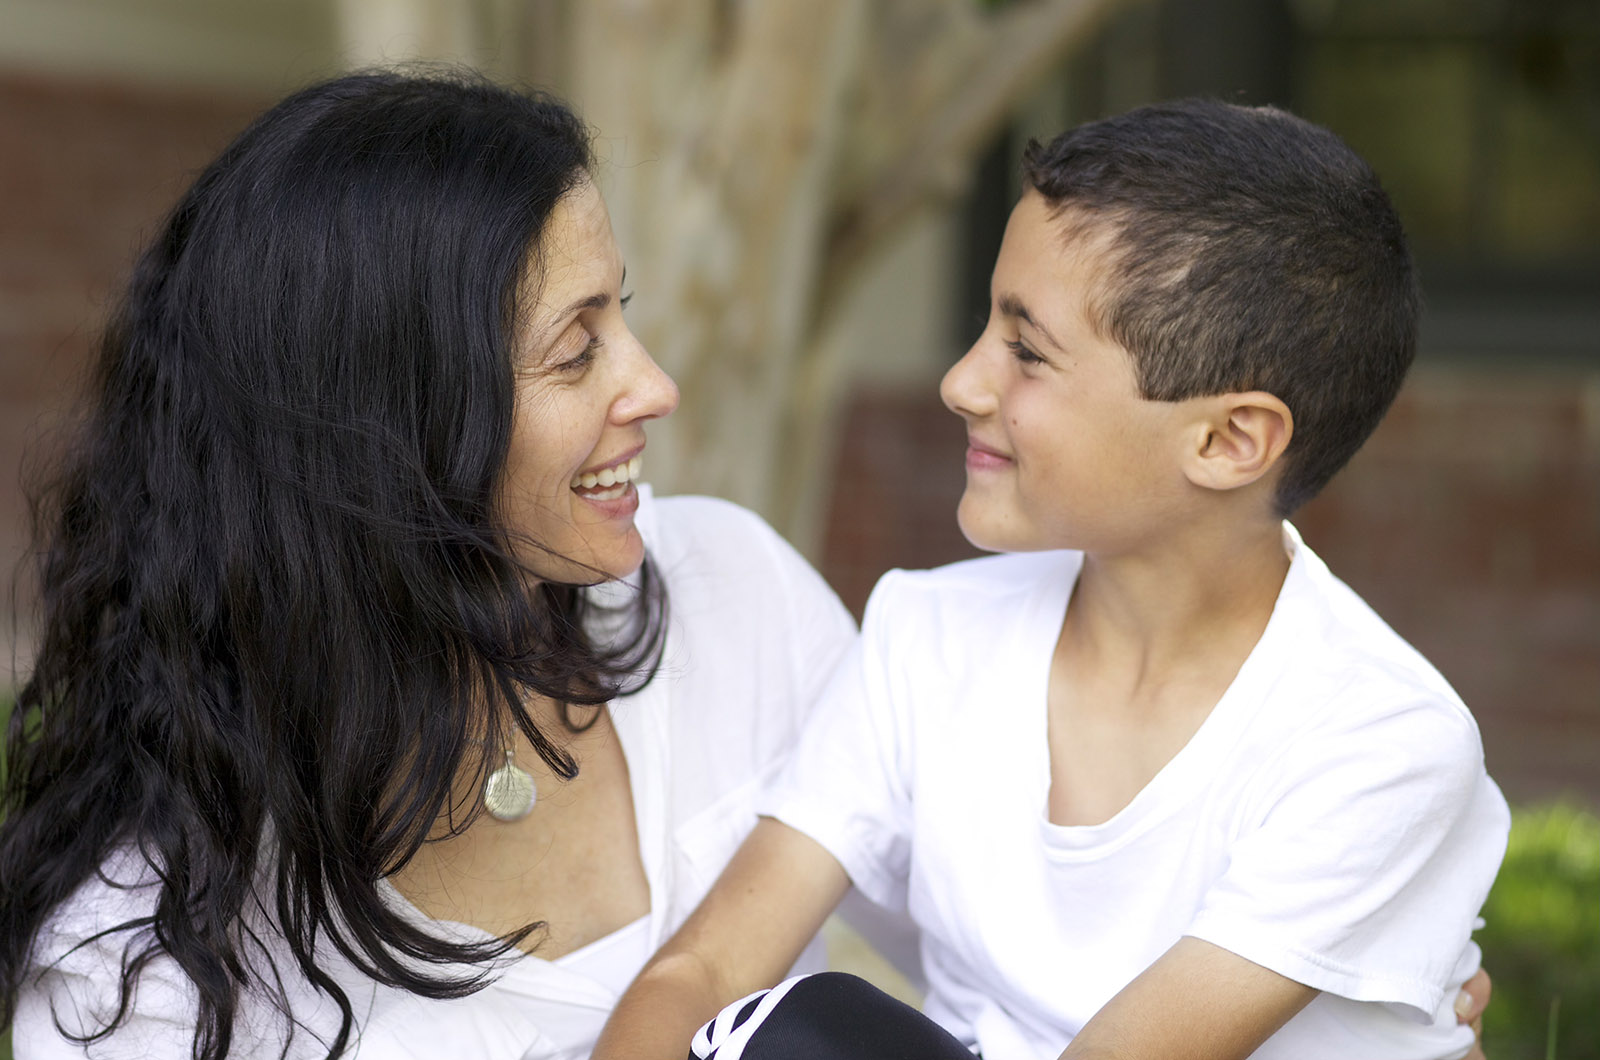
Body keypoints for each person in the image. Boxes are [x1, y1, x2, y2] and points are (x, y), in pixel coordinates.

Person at [594, 99, 1511, 1060]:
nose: (964, 382)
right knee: (789, 1029)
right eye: (987, 325)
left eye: (1027, 352)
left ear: (1229, 440)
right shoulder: (928, 636)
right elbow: (699, 973)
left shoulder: (1381, 738)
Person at [0, 71, 864, 1060]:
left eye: (618, 315)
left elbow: (1008, 928)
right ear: (394, 427)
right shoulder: (144, 966)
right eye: (576, 350)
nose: (654, 385)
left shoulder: (733, 588)